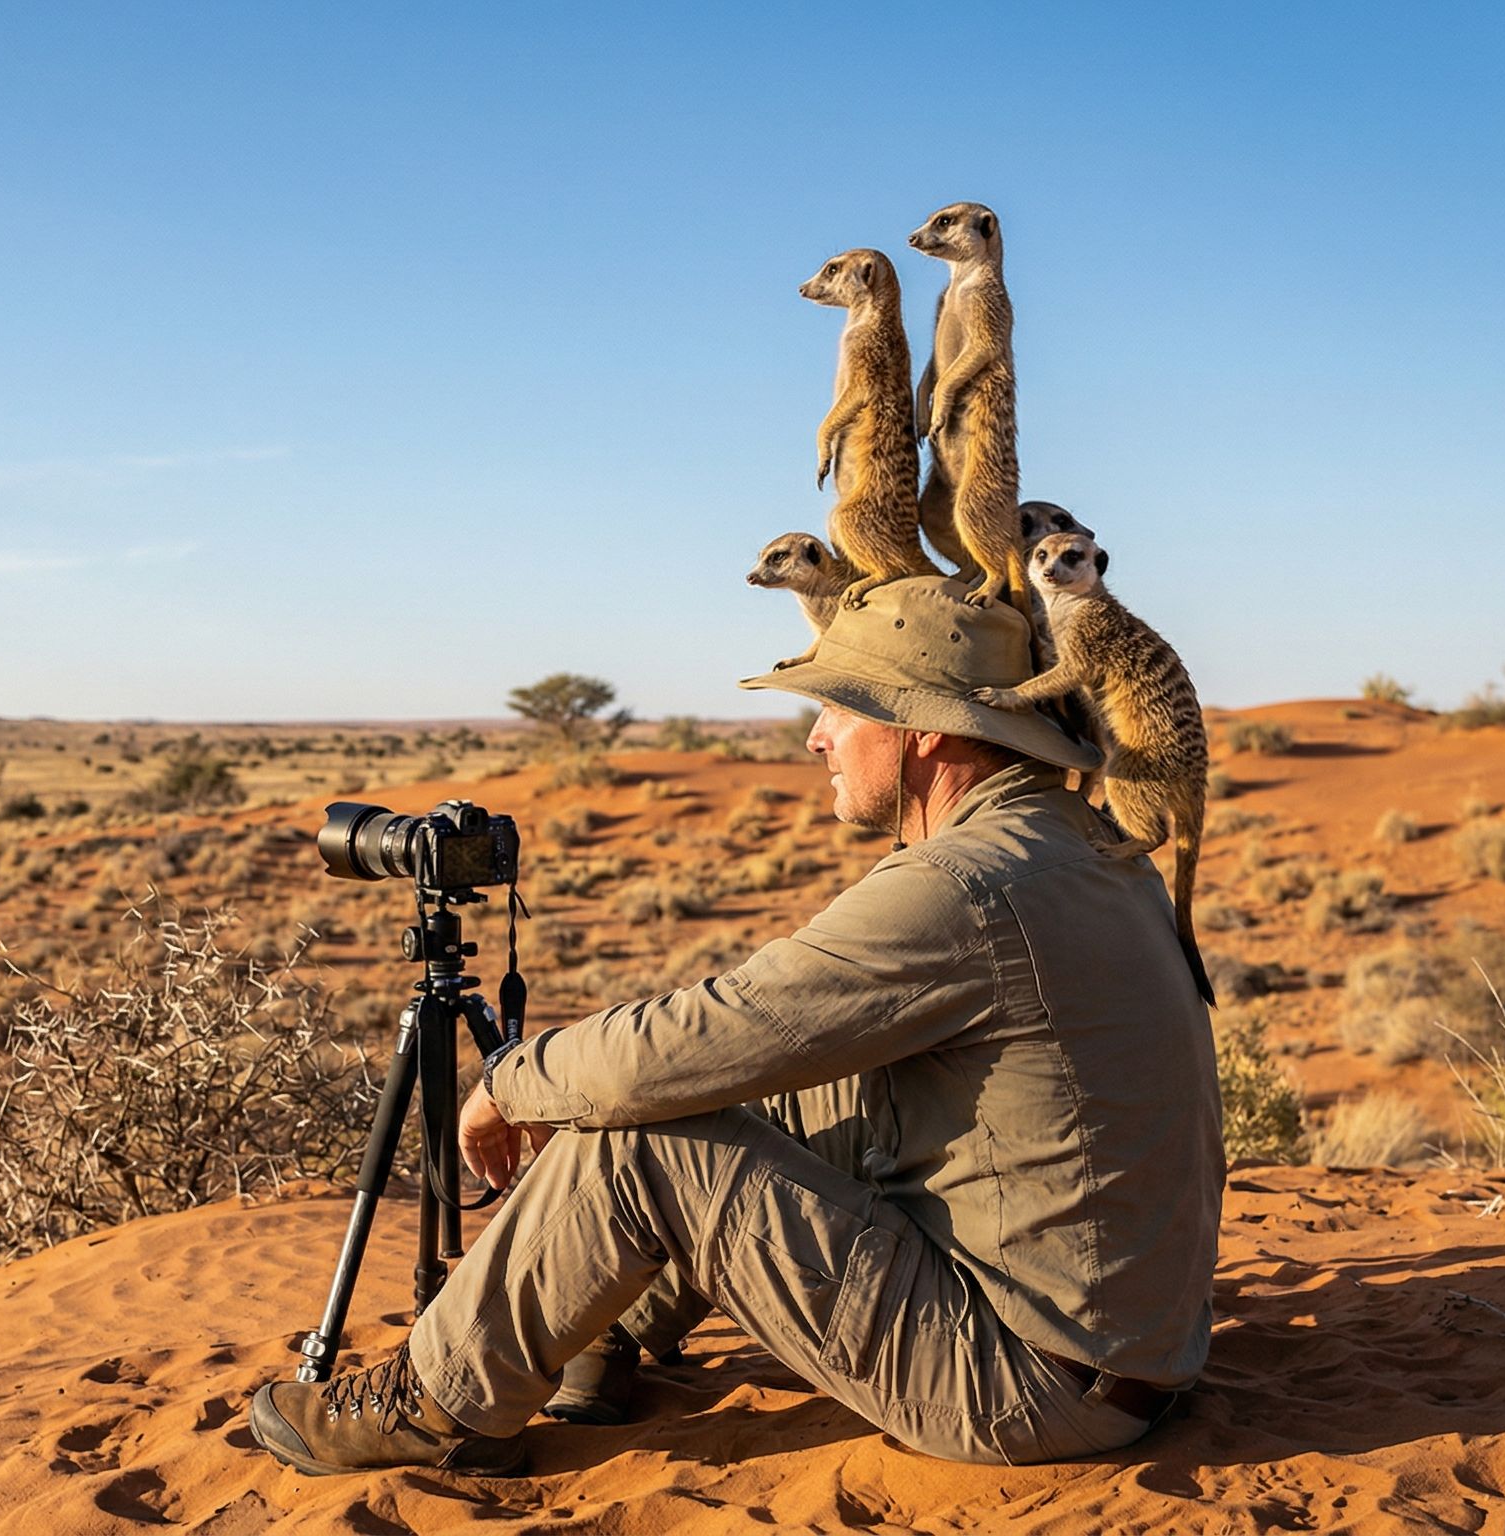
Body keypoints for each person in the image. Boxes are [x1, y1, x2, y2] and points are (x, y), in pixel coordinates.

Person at [247, 575, 1223, 1475]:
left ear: (923, 730)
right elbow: (753, 1043)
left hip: (1026, 1386)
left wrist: (509, 1079)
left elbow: (699, 1037)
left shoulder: (963, 887)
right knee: (773, 1080)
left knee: (634, 1147)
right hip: (1113, 1348)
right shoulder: (1075, 844)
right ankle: (603, 1333)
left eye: (836, 710)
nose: (815, 739)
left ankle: (432, 1404)